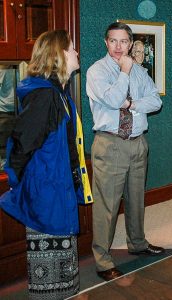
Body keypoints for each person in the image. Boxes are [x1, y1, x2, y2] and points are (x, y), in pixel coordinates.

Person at [0, 29, 93, 299]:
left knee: (64, 267)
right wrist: (24, 185)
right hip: (46, 194)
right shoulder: (45, 96)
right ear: (59, 54)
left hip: (56, 189)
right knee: (49, 276)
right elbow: (20, 145)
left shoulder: (58, 93)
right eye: (72, 48)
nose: (76, 53)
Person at [86, 21, 164, 281]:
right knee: (107, 206)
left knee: (136, 199)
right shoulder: (97, 71)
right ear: (105, 43)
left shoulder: (140, 72)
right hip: (111, 144)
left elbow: (155, 101)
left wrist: (132, 102)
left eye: (124, 41)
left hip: (138, 142)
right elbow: (111, 99)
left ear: (131, 43)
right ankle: (102, 260)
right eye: (113, 41)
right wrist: (124, 72)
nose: (119, 47)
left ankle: (138, 243)